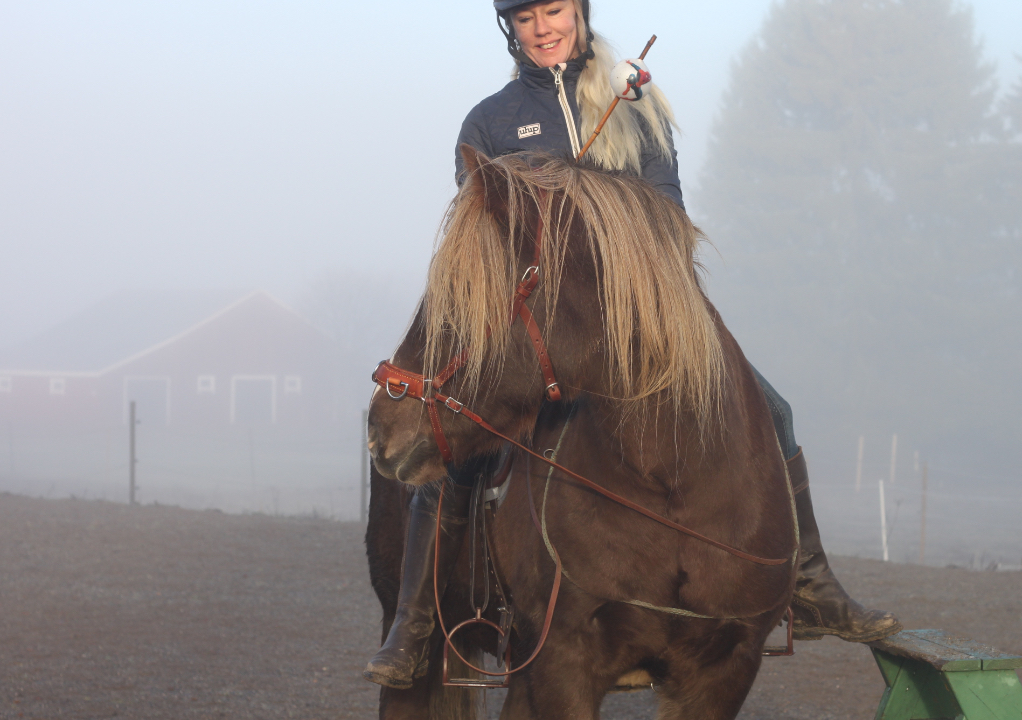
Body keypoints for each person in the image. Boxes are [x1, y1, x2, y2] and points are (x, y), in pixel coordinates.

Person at [363, 0, 900, 690]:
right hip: (538, 325)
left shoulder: (633, 105)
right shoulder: (489, 122)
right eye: (525, 18)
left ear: (580, 12)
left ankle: (811, 583)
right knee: (461, 428)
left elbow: (670, 216)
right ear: (510, 30)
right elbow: (481, 243)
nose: (543, 28)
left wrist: (584, 207)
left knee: (775, 409)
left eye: (554, 10)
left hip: (642, 317)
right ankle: (414, 623)